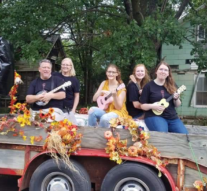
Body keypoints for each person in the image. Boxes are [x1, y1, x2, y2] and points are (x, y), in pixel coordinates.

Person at [139, 61, 188, 134]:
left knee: (184, 135)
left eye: (165, 70)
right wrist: (153, 106)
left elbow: (177, 105)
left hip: (172, 117)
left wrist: (176, 98)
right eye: (161, 69)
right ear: (156, 71)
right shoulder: (149, 86)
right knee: (162, 135)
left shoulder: (172, 85)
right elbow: (142, 106)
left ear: (168, 73)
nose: (163, 71)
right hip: (154, 116)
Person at [53, 58, 80, 124]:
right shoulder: (54, 76)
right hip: (55, 108)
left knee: (71, 129)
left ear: (71, 67)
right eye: (63, 64)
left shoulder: (74, 80)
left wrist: (73, 110)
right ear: (61, 66)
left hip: (68, 109)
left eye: (67, 65)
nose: (65, 66)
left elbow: (77, 96)